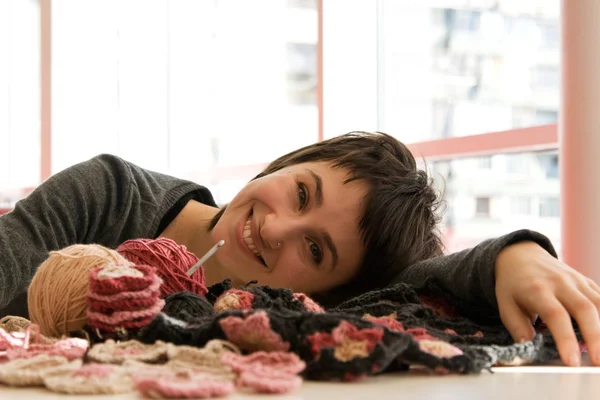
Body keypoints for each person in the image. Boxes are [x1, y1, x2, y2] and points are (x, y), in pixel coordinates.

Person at [0, 131, 598, 368]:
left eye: (315, 249)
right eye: (302, 191)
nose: (278, 227)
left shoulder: (263, 310)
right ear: (287, 162)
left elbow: (414, 288)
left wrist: (512, 253)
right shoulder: (110, 192)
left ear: (325, 291)